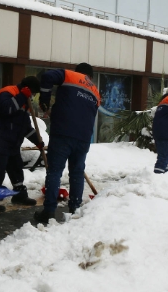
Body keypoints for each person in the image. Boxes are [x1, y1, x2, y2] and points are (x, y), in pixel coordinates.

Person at [33, 63, 100, 224]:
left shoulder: (70, 75)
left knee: (55, 171)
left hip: (63, 133)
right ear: (90, 76)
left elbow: (48, 77)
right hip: (84, 139)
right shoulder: (96, 92)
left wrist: (45, 101)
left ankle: (49, 212)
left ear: (79, 72)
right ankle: (75, 210)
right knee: (77, 173)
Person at [0, 76, 44, 212]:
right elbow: (6, 109)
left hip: (12, 143)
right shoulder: (7, 93)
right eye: (33, 93)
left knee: (16, 170)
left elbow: (25, 127)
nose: (33, 96)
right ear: (27, 89)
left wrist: (38, 141)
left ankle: (20, 196)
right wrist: (22, 96)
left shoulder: (24, 101)